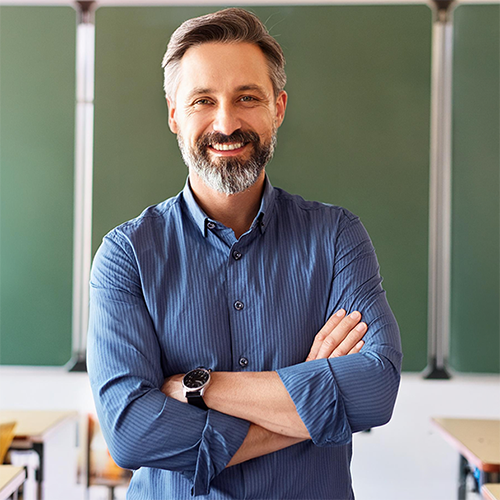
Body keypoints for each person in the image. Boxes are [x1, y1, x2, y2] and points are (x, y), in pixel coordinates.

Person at [87, 7, 402, 500]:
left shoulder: (337, 237)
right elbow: (131, 433)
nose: (226, 122)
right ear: (174, 114)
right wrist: (311, 406)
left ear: (278, 108)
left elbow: (376, 388)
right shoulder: (126, 255)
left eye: (247, 98)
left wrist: (199, 386)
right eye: (203, 101)